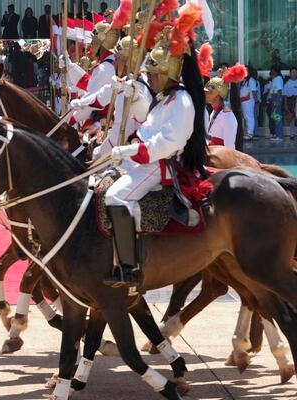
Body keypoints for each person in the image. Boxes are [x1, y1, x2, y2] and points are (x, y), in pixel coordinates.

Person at [103, 6, 208, 286]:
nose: (149, 78)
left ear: (167, 72)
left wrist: (131, 151)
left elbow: (167, 143)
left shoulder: (182, 101)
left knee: (115, 196)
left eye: (153, 74)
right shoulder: (166, 98)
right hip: (144, 162)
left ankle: (130, 267)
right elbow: (146, 122)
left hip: (158, 167)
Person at [205, 65, 247, 150]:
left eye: (208, 92)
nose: (205, 94)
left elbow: (229, 149)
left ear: (217, 96)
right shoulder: (214, 112)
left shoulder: (227, 117)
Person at [240, 66, 259, 140]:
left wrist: (256, 100)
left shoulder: (251, 80)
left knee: (249, 117)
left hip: (248, 101)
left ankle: (250, 133)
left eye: (246, 70)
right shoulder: (244, 80)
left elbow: (254, 91)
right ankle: (248, 132)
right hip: (243, 102)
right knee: (246, 117)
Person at [269, 65, 284, 141]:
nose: (271, 72)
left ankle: (279, 136)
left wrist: (277, 101)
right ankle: (277, 134)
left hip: (276, 99)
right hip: (274, 99)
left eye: (272, 71)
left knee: (277, 117)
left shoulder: (278, 78)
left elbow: (279, 91)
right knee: (275, 117)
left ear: (275, 71)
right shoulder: (275, 79)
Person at [283, 66, 297, 140]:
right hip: (290, 101)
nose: (294, 74)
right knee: (291, 118)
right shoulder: (287, 84)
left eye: (295, 72)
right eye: (292, 72)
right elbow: (285, 95)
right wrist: (285, 105)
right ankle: (292, 134)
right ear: (290, 73)